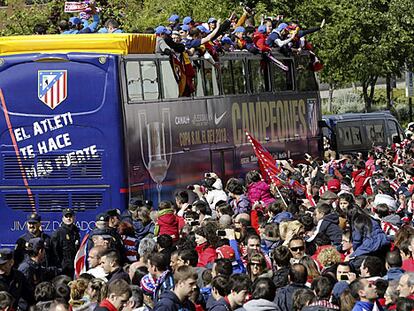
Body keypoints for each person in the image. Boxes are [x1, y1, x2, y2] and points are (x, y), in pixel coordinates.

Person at [50, 208, 80, 276]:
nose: (68, 218)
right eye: (66, 216)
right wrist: (59, 266)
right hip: (64, 266)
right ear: (63, 218)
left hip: (74, 264)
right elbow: (54, 251)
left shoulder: (76, 231)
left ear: (74, 218)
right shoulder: (58, 233)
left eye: (70, 216)